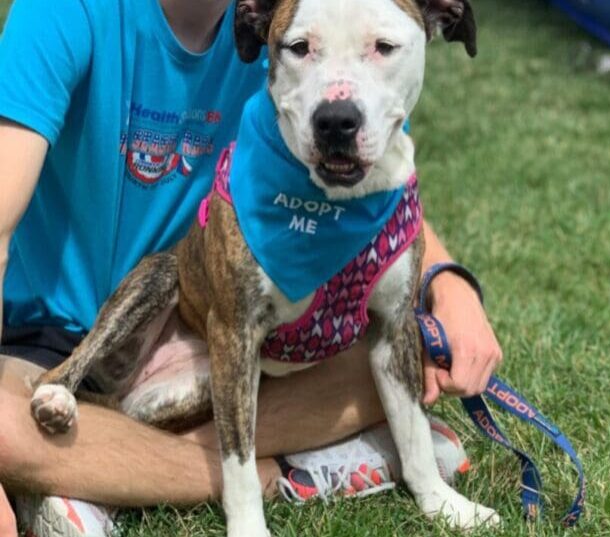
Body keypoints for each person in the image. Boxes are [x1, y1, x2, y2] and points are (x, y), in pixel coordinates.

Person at [0, 0, 502, 536]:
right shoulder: (64, 11)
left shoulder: (295, 20)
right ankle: (277, 470)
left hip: (231, 333)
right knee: (5, 429)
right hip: (54, 332)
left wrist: (449, 282)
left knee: (417, 345)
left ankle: (106, 474)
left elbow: (374, 189)